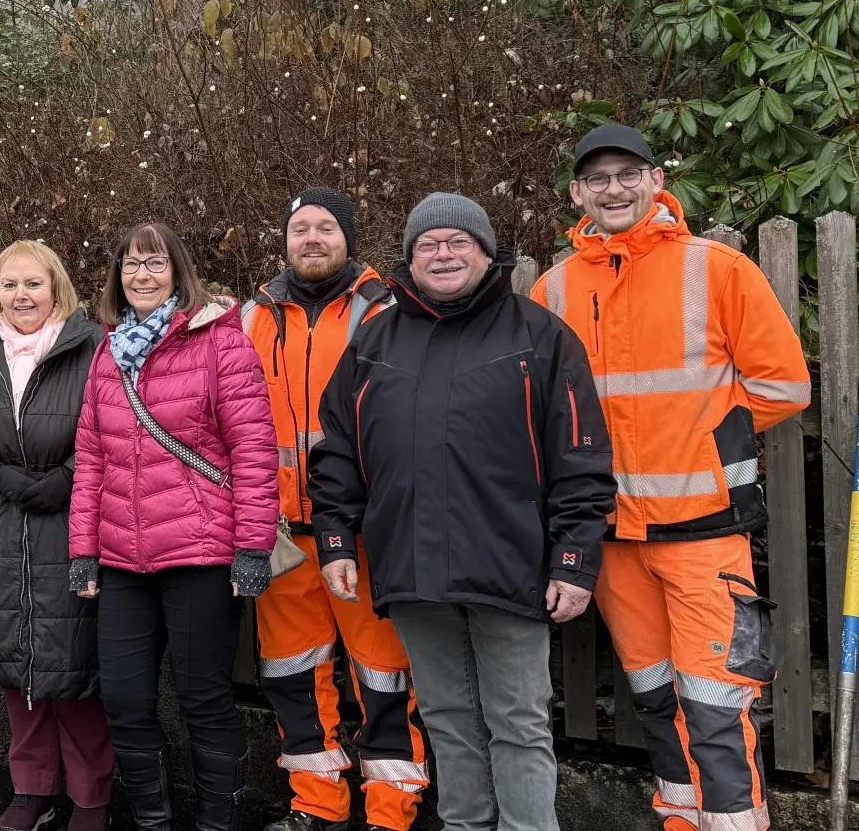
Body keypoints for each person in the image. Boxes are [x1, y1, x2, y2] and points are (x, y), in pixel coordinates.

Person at [529, 125, 809, 831]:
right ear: (577, 194)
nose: (614, 189)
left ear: (657, 181)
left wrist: (705, 439)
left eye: (628, 174)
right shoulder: (552, 289)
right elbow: (538, 406)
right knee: (654, 697)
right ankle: (682, 818)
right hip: (613, 535)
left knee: (717, 702)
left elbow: (783, 386)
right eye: (598, 179)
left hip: (704, 532)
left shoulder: (718, 268)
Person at [308, 194, 617, 831]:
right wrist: (334, 537)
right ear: (410, 257)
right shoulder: (376, 340)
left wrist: (574, 559)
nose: (443, 255)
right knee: (447, 721)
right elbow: (338, 447)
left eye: (458, 243)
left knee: (519, 724)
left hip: (510, 568)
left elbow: (580, 456)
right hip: (413, 570)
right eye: (428, 245)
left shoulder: (538, 335)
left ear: (485, 253)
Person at [68, 222, 279, 831]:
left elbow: (254, 451)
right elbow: (92, 459)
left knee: (203, 699)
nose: (142, 275)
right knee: (124, 699)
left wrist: (253, 547)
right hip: (122, 558)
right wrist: (83, 551)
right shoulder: (108, 353)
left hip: (201, 552)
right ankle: (153, 822)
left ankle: (218, 823)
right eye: (130, 265)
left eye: (155, 263)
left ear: (178, 271)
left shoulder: (222, 343)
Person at [240, 188, 428, 831]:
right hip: (280, 535)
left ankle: (390, 814)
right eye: (300, 228)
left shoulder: (387, 308)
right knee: (291, 676)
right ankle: (316, 805)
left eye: (325, 227)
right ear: (285, 239)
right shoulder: (254, 316)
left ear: (348, 237)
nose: (312, 238)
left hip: (363, 530)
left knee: (384, 676)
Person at [0, 241, 113, 831]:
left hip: (70, 521)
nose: (21, 296)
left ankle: (91, 797)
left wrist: (68, 477)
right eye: (9, 285)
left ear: (56, 287)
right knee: (17, 668)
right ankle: (33, 789)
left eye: (33, 283)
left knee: (73, 666)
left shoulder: (91, 347)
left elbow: (116, 426)